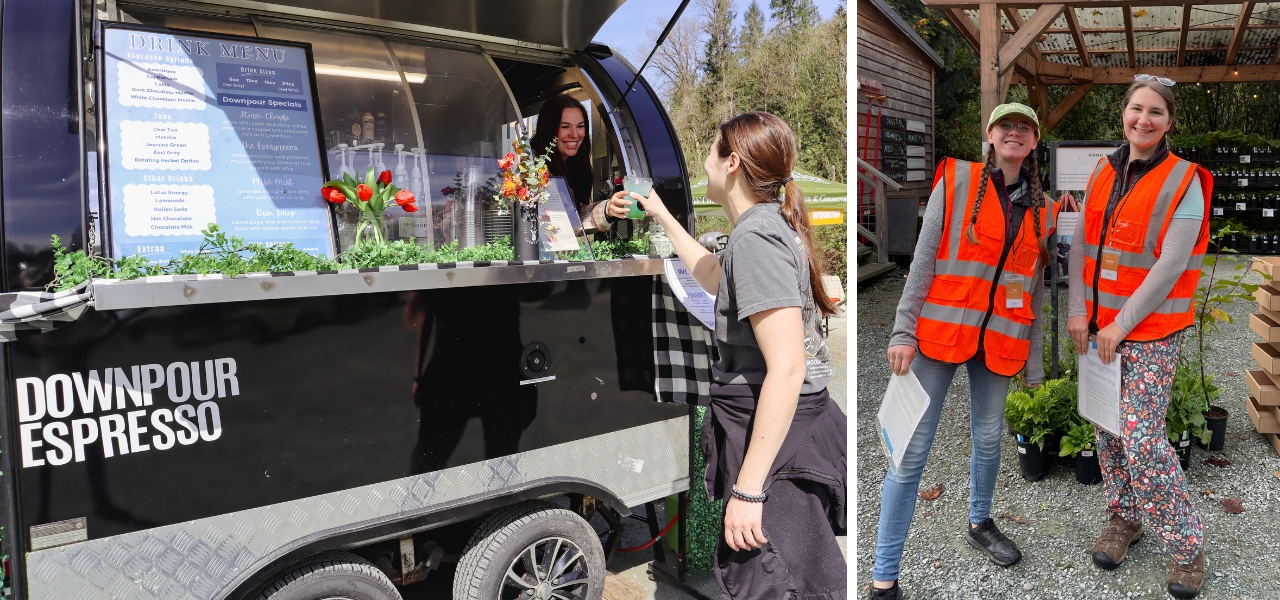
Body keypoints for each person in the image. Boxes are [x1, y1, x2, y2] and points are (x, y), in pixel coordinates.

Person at [633, 112, 846, 599]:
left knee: (783, 582)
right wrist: (662, 213)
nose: (703, 164)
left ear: (732, 163)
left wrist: (750, 490)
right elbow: (712, 274)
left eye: (710, 153)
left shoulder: (756, 238)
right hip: (784, 429)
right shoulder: (760, 228)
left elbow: (788, 368)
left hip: (776, 439)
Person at [870, 103, 1060, 599]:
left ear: (1034, 142)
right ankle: (883, 576)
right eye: (1006, 126)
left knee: (990, 437)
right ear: (991, 135)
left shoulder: (1044, 210)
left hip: (998, 343)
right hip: (938, 338)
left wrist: (1034, 361)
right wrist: (901, 331)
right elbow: (923, 259)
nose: (1015, 133)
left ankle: (979, 523)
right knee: (910, 456)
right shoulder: (955, 183)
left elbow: (1036, 291)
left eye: (1024, 128)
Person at [1066, 75, 1211, 599]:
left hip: (1147, 333)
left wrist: (1120, 326)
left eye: (1155, 112)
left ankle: (1186, 544)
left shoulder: (1184, 180)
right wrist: (1078, 311)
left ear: (1169, 121)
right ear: (1123, 114)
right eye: (1136, 109)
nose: (1143, 119)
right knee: (1106, 430)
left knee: (1144, 440)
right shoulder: (1104, 174)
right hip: (1100, 329)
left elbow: (1170, 265)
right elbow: (1080, 242)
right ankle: (1125, 517)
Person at [528, 94, 638, 234]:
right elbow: (565, 220)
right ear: (548, 129)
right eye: (565, 126)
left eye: (580, 126)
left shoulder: (575, 166)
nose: (574, 134)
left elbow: (572, 216)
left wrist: (608, 209)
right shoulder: (532, 167)